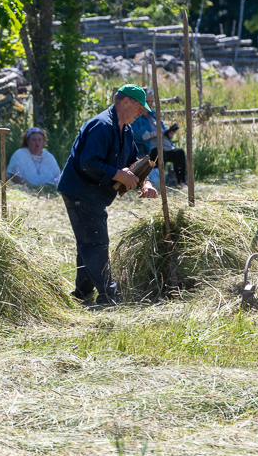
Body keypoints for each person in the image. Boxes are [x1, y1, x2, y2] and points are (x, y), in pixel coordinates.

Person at [57, 84, 158, 305]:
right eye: (140, 108)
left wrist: (145, 183)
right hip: (80, 191)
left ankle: (82, 294)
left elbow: (133, 160)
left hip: (94, 193)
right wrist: (120, 176)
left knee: (88, 241)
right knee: (96, 242)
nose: (141, 113)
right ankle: (108, 296)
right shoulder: (101, 126)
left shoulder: (126, 129)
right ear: (125, 102)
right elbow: (88, 162)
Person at [129, 105, 187, 185]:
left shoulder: (153, 114)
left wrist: (168, 133)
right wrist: (152, 134)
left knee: (179, 152)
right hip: (148, 147)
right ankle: (161, 181)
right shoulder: (136, 116)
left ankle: (181, 182)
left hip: (164, 144)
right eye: (148, 102)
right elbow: (135, 133)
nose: (150, 104)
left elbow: (164, 127)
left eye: (151, 101)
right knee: (160, 153)